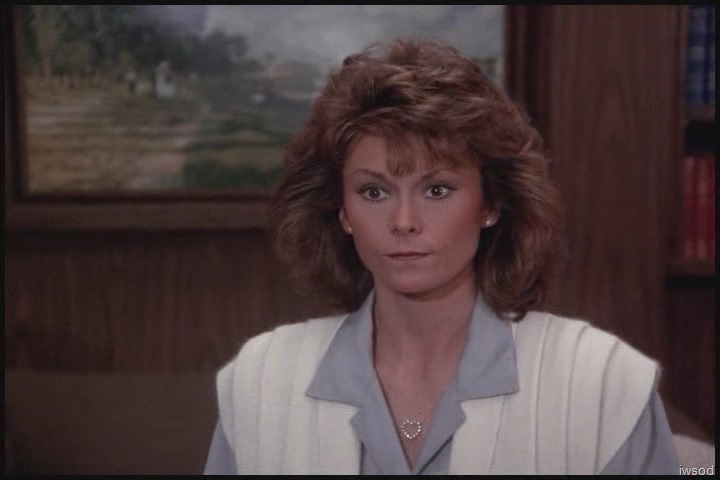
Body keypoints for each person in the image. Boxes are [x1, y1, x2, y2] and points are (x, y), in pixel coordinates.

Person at [203, 37, 679, 475]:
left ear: (491, 204)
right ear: (342, 211)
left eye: (436, 190)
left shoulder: (603, 383)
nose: (404, 221)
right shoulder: (261, 380)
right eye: (374, 192)